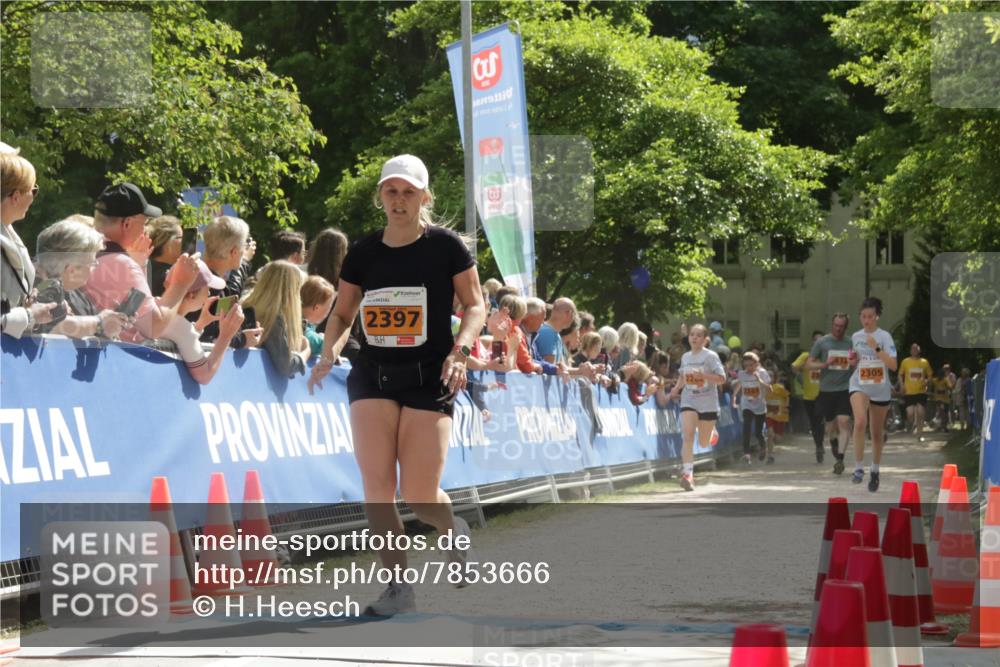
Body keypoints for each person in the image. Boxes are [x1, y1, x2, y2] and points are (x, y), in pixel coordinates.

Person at [307, 154, 486, 616]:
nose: (399, 200)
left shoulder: (445, 246)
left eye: (409, 192)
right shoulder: (364, 252)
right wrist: (330, 348)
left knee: (420, 495)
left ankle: (451, 529)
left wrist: (460, 350)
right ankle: (398, 588)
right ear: (380, 197)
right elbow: (344, 313)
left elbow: (475, 305)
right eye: (391, 191)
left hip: (431, 376)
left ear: (424, 197)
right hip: (374, 374)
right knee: (377, 487)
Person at [84, 182, 201, 342]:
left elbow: (129, 311)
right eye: (144, 223)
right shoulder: (122, 264)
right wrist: (181, 283)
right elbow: (153, 327)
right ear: (127, 224)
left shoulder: (78, 250)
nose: (145, 230)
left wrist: (138, 266)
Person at [33, 219, 129, 338]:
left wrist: (113, 322)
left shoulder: (76, 295)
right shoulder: (34, 291)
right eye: (93, 263)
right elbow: (54, 326)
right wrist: (99, 323)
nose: (95, 267)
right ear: (73, 270)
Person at [1, 150, 60, 336]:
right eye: (33, 190)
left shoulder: (9, 233)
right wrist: (28, 315)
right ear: (16, 197)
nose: (34, 197)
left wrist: (27, 302)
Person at [158, 258, 246, 385]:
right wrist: (226, 336)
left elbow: (181, 337)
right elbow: (205, 375)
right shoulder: (183, 329)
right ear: (192, 295)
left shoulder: (153, 305)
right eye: (207, 288)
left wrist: (201, 323)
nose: (209, 292)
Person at [847, 296, 898, 492]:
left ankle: (875, 470)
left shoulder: (884, 337)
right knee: (860, 422)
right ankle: (858, 467)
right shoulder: (856, 336)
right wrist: (853, 360)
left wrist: (876, 347)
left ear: (876, 316)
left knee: (876, 435)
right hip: (859, 383)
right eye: (863, 316)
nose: (866, 320)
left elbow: (893, 365)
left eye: (870, 316)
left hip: (880, 387)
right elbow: (856, 359)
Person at [667, 323, 726, 491]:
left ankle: (712, 431)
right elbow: (683, 376)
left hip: (708, 402)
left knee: (704, 442)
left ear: (705, 340)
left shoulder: (711, 356)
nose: (694, 337)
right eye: (692, 334)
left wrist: (704, 376)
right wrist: (676, 389)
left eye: (698, 335)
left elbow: (722, 378)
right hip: (689, 400)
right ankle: (688, 474)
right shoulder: (685, 357)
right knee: (688, 436)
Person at [242, 260, 311, 378]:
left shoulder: (244, 306)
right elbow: (286, 366)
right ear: (290, 291)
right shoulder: (273, 319)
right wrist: (306, 352)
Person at [808, 313, 854, 475]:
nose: (838, 329)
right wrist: (824, 364)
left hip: (845, 389)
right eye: (836, 325)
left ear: (846, 327)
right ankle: (834, 442)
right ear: (832, 324)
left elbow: (856, 363)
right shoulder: (822, 342)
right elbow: (809, 363)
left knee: (844, 421)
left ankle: (840, 459)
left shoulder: (850, 342)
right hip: (826, 390)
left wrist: (853, 362)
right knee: (830, 427)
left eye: (841, 326)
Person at [733, 351, 771, 465]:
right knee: (746, 426)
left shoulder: (763, 372)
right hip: (747, 404)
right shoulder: (742, 374)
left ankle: (763, 447)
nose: (748, 368)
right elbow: (740, 384)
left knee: (758, 432)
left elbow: (770, 388)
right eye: (746, 365)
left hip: (760, 405)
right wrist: (734, 397)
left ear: (756, 364)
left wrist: (759, 380)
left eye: (751, 365)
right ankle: (746, 454)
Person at [793, 331, 825, 462]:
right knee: (813, 423)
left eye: (821, 340)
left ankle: (820, 445)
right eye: (816, 340)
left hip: (823, 394)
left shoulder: (826, 356)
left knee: (819, 420)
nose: (819, 342)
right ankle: (818, 445)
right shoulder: (806, 356)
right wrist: (804, 365)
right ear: (813, 342)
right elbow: (794, 368)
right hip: (808, 396)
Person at [897, 343, 932, 440]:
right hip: (909, 392)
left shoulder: (924, 362)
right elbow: (900, 374)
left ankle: (920, 434)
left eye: (916, 349)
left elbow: (930, 375)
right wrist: (902, 385)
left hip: (921, 391)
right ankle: (911, 423)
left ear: (919, 350)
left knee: (921, 412)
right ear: (910, 351)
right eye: (913, 349)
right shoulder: (905, 361)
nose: (915, 350)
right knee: (910, 413)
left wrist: (926, 382)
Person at [146, 216, 183, 297]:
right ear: (168, 242)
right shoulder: (173, 277)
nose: (184, 241)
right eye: (181, 237)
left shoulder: (142, 268)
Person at [301, 274, 336, 358]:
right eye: (328, 308)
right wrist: (323, 339)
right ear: (316, 308)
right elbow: (313, 343)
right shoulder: (300, 324)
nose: (328, 313)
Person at [764, 373, 791, 464]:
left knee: (778, 438)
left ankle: (772, 446)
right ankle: (770, 455)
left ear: (775, 378)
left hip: (780, 416)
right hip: (769, 415)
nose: (769, 377)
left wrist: (786, 406)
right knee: (770, 434)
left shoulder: (779, 388)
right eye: (767, 375)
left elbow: (787, 396)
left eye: (771, 375)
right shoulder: (764, 388)